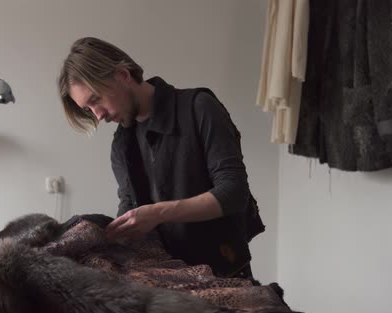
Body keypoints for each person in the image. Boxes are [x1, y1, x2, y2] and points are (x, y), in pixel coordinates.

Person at [58, 37, 265, 280]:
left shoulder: (199, 107)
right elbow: (128, 205)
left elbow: (233, 193)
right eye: (88, 110)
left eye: (95, 100)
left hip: (225, 273)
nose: (98, 115)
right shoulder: (121, 144)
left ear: (123, 75)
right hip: (166, 280)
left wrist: (158, 213)